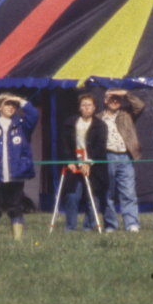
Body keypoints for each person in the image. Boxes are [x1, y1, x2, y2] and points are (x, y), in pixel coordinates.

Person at [0, 92, 39, 240]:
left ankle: (17, 242)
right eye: (7, 104)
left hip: (15, 174)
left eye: (13, 105)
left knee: (15, 207)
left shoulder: (22, 125)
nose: (11, 107)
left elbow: (34, 115)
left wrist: (20, 100)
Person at [57, 92, 107, 233]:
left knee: (93, 197)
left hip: (93, 166)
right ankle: (70, 228)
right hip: (74, 164)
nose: (86, 108)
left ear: (94, 107)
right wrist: (69, 161)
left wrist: (88, 162)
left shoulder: (100, 125)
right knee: (72, 196)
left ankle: (88, 227)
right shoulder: (69, 123)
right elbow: (64, 144)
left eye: (89, 105)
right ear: (79, 107)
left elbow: (100, 147)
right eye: (83, 105)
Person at [101, 88, 146, 232]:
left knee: (128, 193)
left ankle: (132, 224)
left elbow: (140, 106)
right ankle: (111, 226)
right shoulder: (98, 117)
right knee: (108, 193)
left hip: (126, 157)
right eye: (112, 98)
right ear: (105, 100)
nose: (115, 101)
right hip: (106, 157)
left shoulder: (126, 114)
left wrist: (126, 94)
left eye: (118, 99)